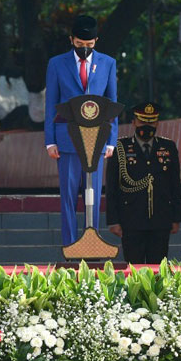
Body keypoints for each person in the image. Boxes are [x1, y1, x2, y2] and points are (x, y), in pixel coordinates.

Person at [44, 15, 119, 246]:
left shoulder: (107, 63)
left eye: (89, 44)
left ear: (96, 40)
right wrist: (50, 140)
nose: (84, 49)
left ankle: (91, 241)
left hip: (96, 139)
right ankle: (70, 245)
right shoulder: (57, 63)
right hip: (66, 139)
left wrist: (112, 141)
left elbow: (112, 102)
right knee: (68, 196)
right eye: (79, 44)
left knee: (93, 196)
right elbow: (50, 104)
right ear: (71, 40)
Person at [106, 101, 181, 263]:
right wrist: (113, 220)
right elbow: (111, 187)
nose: (147, 125)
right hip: (131, 219)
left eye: (152, 121)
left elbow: (175, 185)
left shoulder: (168, 147)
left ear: (157, 123)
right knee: (134, 269)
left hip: (160, 219)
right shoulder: (120, 147)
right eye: (142, 121)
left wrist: (176, 218)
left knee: (157, 270)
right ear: (134, 122)